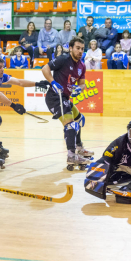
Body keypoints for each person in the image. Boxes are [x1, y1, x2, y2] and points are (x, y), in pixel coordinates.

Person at [0, 56, 50, 172]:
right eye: (0, 67)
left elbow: (19, 82)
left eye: (3, 67)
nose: (3, 69)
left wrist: (37, 84)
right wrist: (13, 105)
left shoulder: (1, 77)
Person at [41, 37, 93, 168]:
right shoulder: (63, 59)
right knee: (71, 125)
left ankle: (79, 148)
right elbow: (44, 69)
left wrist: (78, 90)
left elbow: (82, 84)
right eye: (77, 48)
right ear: (71, 48)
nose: (80, 51)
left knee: (79, 119)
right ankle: (71, 155)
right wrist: (53, 82)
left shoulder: (82, 66)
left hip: (65, 98)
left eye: (82, 49)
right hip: (55, 97)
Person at [86, 119, 131, 199]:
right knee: (101, 163)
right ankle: (96, 182)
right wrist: (99, 178)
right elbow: (106, 159)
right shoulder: (119, 142)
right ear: (130, 132)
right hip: (117, 167)